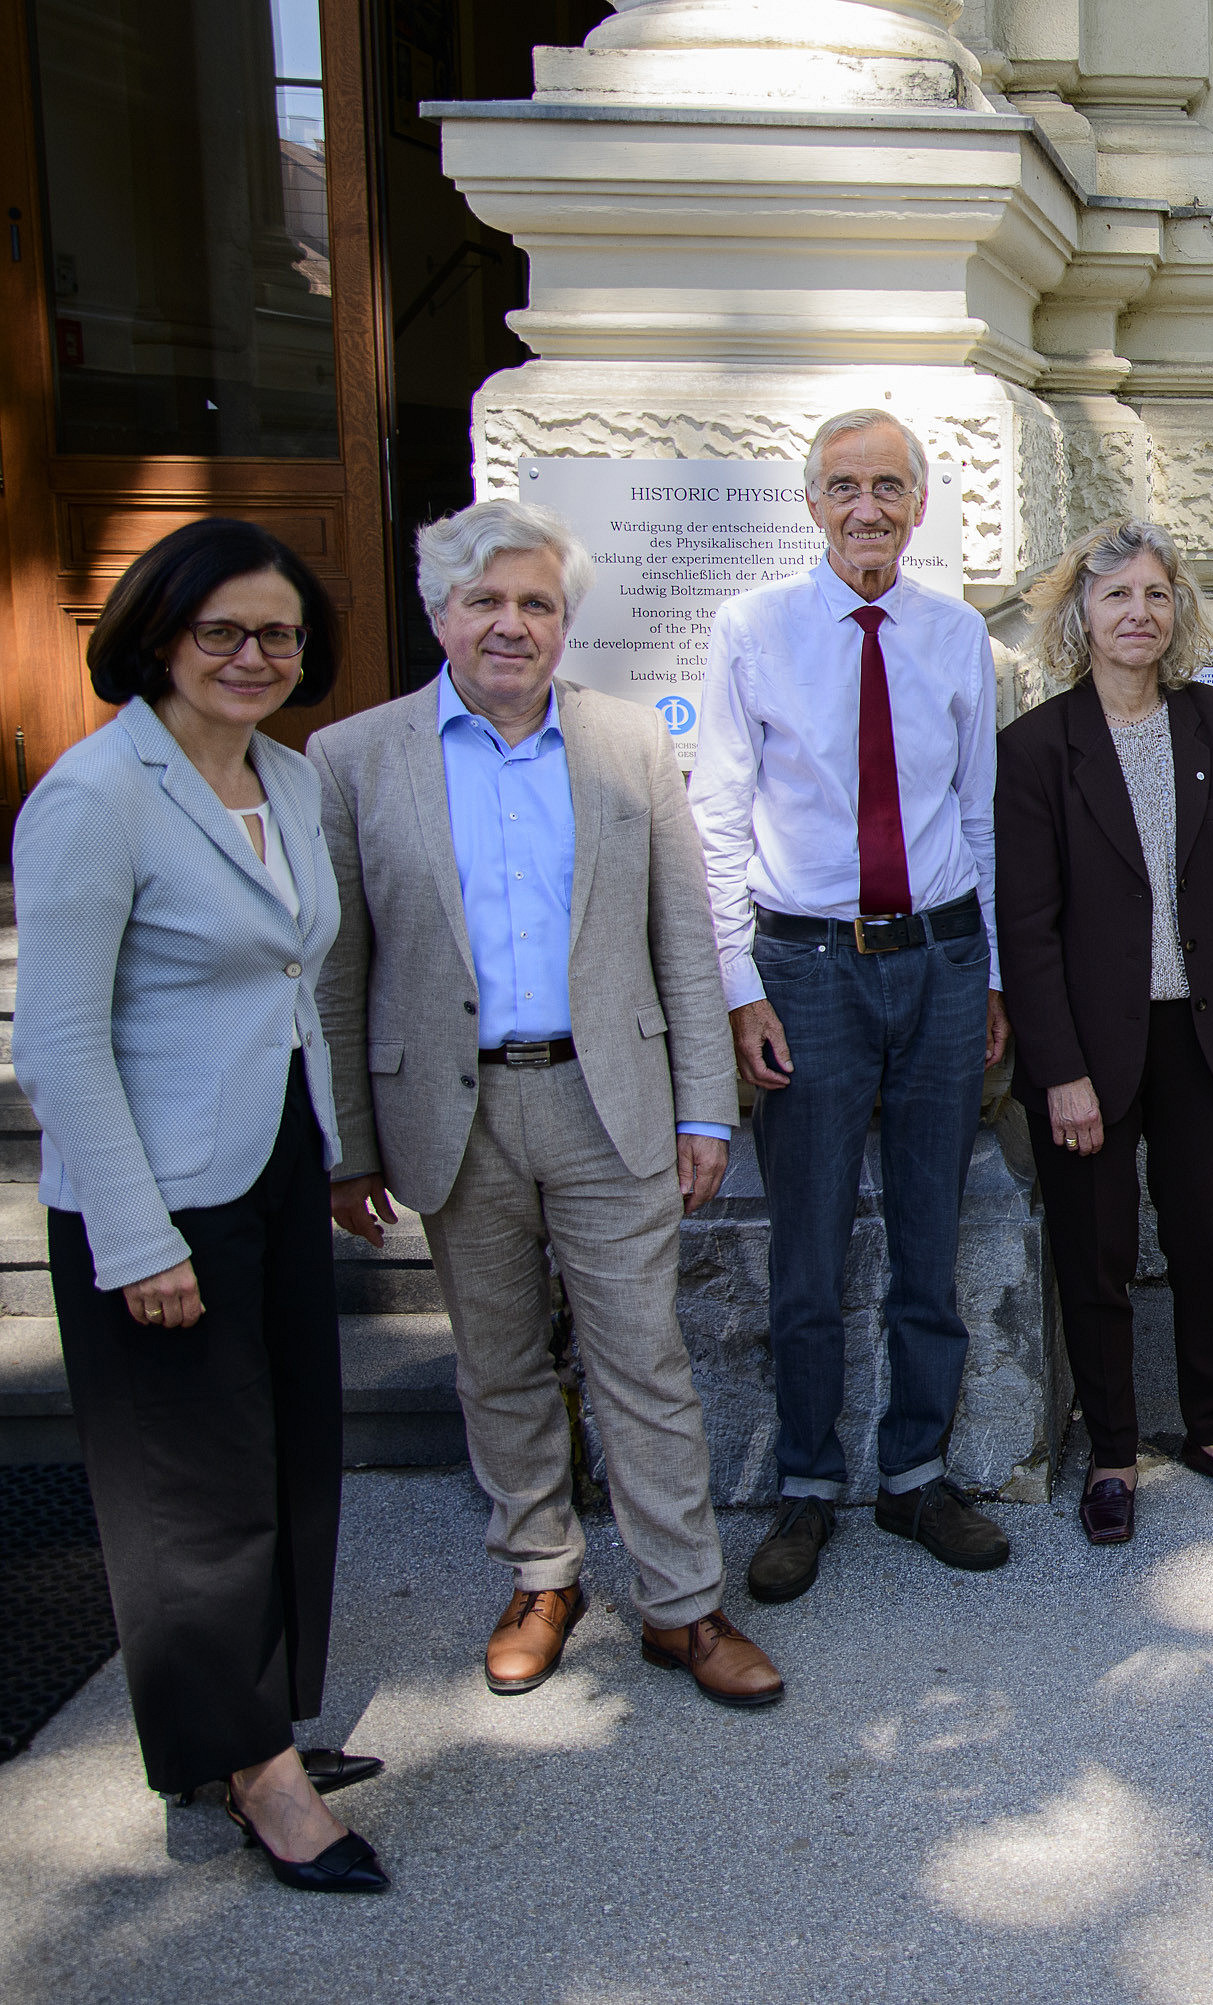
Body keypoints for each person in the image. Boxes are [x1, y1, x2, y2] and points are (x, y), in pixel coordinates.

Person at [314, 500, 781, 1711]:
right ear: (440, 615)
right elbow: (341, 968)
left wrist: (705, 1110)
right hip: (453, 1114)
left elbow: (681, 937)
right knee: (499, 1360)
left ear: (564, 622)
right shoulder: (355, 758)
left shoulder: (626, 743)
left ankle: (682, 1604)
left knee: (645, 1359)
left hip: (605, 1101)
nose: (510, 625)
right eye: (486, 602)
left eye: (536, 604)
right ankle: (539, 1572)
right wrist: (349, 1146)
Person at [13, 519, 387, 1893]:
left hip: (274, 1161)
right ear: (160, 634)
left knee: (287, 1450)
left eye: (277, 634)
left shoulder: (284, 779)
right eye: (222, 629)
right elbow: (56, 1042)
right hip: (158, 1191)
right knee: (196, 1492)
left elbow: (288, 986)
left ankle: (248, 1725)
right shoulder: (96, 794)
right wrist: (134, 1231)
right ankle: (257, 1778)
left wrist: (333, 1153)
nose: (251, 655)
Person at [693, 408, 1011, 1599]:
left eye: (887, 485)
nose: (866, 506)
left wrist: (987, 978)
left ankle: (917, 1473)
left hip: (935, 963)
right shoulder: (753, 630)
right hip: (807, 970)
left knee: (931, 1232)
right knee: (807, 1247)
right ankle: (808, 1486)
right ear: (812, 502)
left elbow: (976, 819)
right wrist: (737, 990)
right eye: (843, 486)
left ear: (919, 504)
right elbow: (717, 818)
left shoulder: (954, 634)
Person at [995, 521, 1213, 1544]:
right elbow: (1024, 928)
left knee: (1209, 1242)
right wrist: (1058, 1072)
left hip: (1200, 1037)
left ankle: (1210, 1429)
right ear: (1080, 614)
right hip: (1088, 1052)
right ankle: (1112, 1450)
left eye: (1155, 595)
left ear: (1178, 611)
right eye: (1115, 595)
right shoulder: (1035, 748)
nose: (1137, 613)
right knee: (1098, 1251)